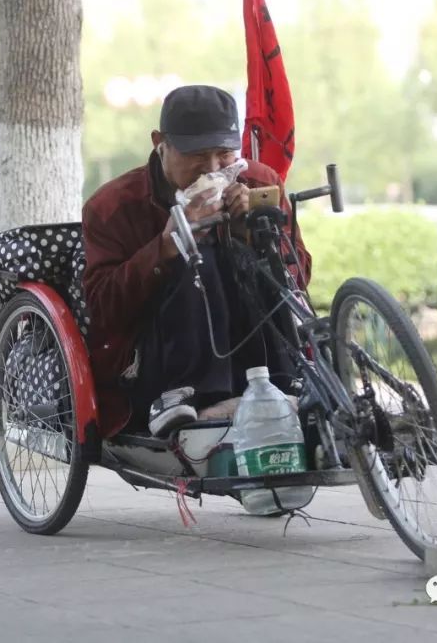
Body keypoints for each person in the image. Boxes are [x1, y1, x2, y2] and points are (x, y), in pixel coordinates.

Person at [82, 84, 312, 436]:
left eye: (224, 155)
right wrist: (164, 248)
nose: (213, 168)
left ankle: (287, 382)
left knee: (251, 257)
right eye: (198, 156)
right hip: (157, 364)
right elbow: (99, 312)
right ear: (160, 143)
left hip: (257, 358)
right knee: (196, 255)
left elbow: (300, 278)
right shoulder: (113, 206)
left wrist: (252, 234)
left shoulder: (259, 182)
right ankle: (197, 394)